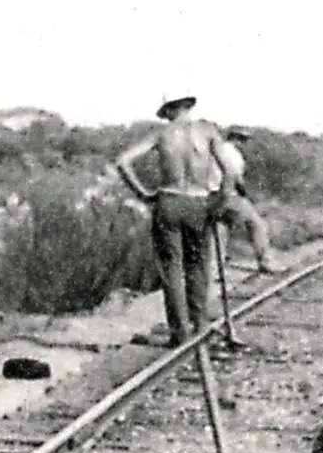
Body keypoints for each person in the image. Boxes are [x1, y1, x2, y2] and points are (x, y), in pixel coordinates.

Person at [113, 94, 240, 346]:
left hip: (168, 201)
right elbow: (230, 173)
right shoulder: (207, 132)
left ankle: (180, 332)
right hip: (199, 202)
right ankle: (200, 324)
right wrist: (220, 203)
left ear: (170, 110)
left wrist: (143, 193)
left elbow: (123, 162)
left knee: (171, 269)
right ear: (188, 107)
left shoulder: (161, 134)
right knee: (198, 266)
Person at [219, 128, 275, 274]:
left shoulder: (216, 148)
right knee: (257, 224)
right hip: (230, 195)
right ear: (237, 139)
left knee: (220, 228)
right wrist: (244, 193)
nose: (245, 144)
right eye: (243, 140)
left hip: (212, 196)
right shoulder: (233, 154)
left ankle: (216, 269)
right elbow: (235, 177)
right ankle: (265, 262)